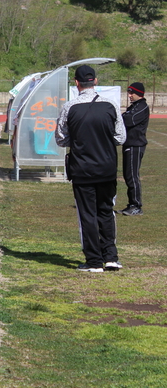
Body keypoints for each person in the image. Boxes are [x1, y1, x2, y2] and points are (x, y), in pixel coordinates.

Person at [56, 65, 126, 273]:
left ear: (76, 83)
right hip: (106, 168)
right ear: (95, 81)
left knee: (87, 214)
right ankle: (111, 257)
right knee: (106, 211)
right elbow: (120, 137)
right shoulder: (110, 105)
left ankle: (94, 261)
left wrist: (79, 140)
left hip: (82, 169)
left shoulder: (70, 107)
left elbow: (61, 139)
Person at [120, 82, 149, 216]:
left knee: (132, 176)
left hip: (135, 145)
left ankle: (136, 205)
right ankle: (131, 204)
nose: (129, 95)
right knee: (128, 175)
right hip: (129, 144)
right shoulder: (134, 106)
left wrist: (122, 117)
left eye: (132, 93)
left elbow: (127, 119)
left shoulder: (142, 107)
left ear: (139, 94)